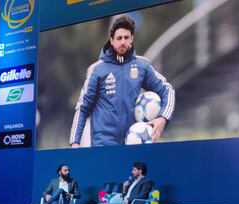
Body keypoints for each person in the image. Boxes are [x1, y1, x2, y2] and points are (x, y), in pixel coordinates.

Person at [70, 15, 175, 147]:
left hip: (132, 143)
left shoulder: (142, 66)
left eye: (126, 37)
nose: (123, 42)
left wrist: (162, 118)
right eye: (119, 38)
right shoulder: (96, 70)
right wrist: (75, 142)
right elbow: (83, 108)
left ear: (132, 39)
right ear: (112, 40)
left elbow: (167, 90)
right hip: (103, 146)